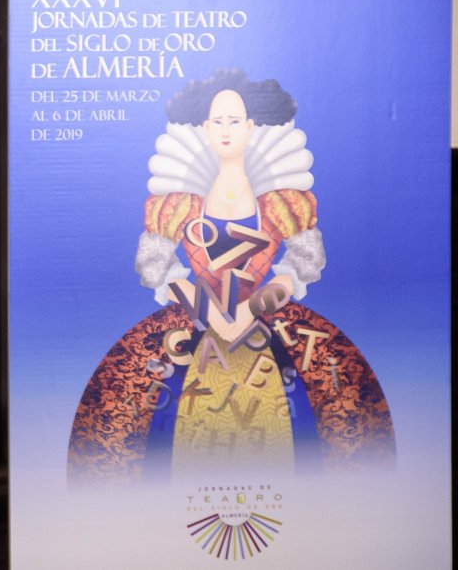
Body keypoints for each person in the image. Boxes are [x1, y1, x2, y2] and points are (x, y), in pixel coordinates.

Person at [67, 69, 395, 485]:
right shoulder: (178, 204)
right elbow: (154, 267)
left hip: (269, 325)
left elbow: (305, 264)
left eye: (234, 121)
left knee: (326, 417)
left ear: (251, 127)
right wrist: (208, 309)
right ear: (204, 128)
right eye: (217, 122)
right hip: (194, 323)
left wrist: (251, 309)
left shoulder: (281, 202)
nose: (225, 131)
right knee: (133, 424)